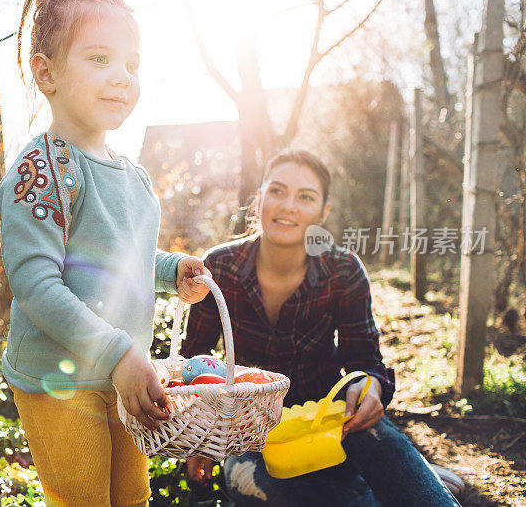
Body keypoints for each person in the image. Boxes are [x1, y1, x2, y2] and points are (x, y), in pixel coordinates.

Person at [0, 0, 212, 505]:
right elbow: (38, 286)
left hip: (122, 372)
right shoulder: (41, 173)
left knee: (131, 496)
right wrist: (119, 354)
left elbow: (120, 259)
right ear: (46, 73)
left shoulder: (132, 176)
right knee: (84, 499)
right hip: (57, 377)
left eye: (131, 64)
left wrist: (167, 271)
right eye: (99, 59)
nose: (122, 78)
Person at [181, 149, 462, 506]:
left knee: (396, 462)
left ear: (323, 212)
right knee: (274, 493)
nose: (288, 206)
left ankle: (406, 476)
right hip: (249, 428)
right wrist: (201, 436)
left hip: (331, 415)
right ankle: (375, 485)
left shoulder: (343, 270)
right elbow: (193, 363)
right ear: (259, 198)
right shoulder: (218, 267)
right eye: (278, 191)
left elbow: (364, 360)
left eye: (306, 197)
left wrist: (370, 385)